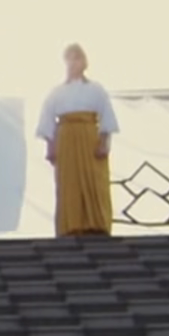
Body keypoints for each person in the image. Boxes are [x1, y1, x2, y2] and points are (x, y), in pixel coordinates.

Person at [36, 42, 120, 236]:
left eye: (77, 58)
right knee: (68, 183)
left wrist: (104, 142)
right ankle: (70, 225)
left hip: (89, 138)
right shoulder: (56, 92)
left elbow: (106, 116)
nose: (73, 63)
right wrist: (51, 146)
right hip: (66, 139)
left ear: (84, 62)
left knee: (94, 180)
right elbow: (47, 118)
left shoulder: (96, 90)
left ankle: (96, 223)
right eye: (69, 59)